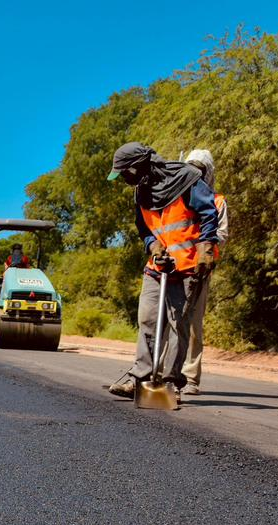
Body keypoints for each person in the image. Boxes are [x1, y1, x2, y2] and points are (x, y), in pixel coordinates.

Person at [105, 142, 219, 400]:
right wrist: (153, 246)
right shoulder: (141, 192)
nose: (123, 179)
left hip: (188, 265)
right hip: (158, 266)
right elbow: (142, 227)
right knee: (147, 319)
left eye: (124, 173)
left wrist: (206, 248)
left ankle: (170, 384)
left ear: (137, 168)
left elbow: (209, 214)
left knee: (179, 324)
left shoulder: (187, 179)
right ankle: (140, 379)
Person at [179, 149, 230, 395]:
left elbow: (222, 234)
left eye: (199, 170)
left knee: (193, 325)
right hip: (175, 266)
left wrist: (204, 246)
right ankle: (164, 374)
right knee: (168, 322)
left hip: (199, 270)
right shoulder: (176, 199)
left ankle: (190, 378)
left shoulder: (218, 201)